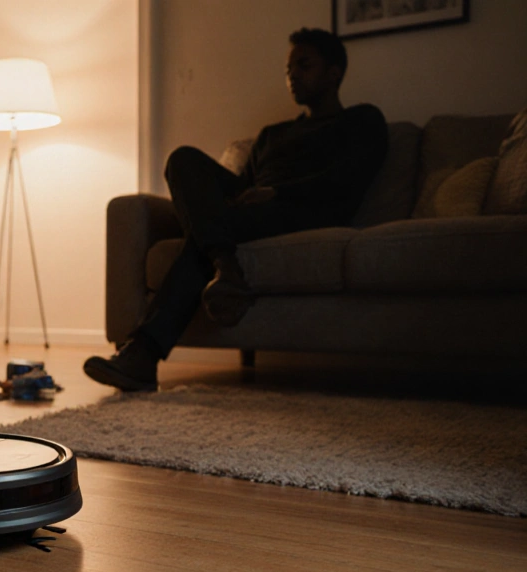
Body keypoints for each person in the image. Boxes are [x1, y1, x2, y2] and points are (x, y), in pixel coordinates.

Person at [84, 27, 389, 392]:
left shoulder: (362, 120)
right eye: (288, 68)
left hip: (303, 211)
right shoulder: (271, 135)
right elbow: (243, 189)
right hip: (252, 212)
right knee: (183, 159)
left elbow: (346, 180)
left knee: (208, 229)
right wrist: (243, 197)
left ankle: (144, 352)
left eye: (304, 65)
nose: (292, 74)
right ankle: (225, 265)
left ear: (334, 72)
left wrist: (276, 191)